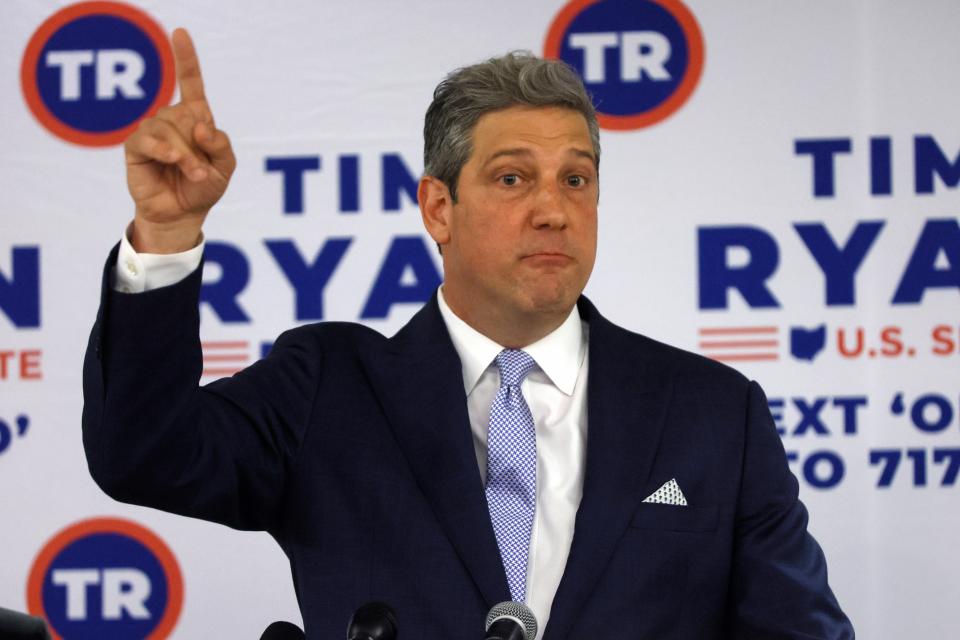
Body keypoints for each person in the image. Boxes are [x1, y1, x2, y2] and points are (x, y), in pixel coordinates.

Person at [83, 29, 854, 639]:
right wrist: (167, 232)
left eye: (576, 179)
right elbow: (143, 455)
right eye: (514, 178)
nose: (553, 210)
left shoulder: (714, 411)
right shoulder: (330, 387)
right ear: (438, 208)